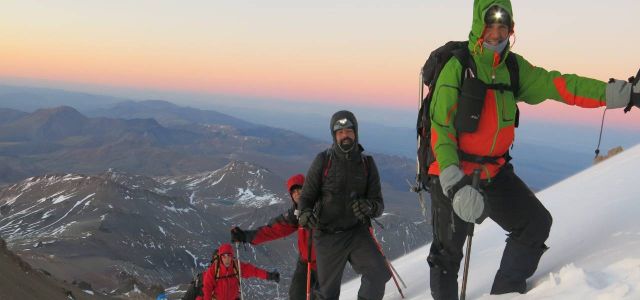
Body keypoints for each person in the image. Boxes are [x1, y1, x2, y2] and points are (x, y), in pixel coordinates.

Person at [426, 0, 640, 299]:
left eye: (503, 26)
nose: (496, 33)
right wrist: (454, 184)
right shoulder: (458, 67)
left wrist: (621, 93)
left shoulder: (513, 68)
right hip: (454, 174)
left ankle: (506, 294)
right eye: (490, 25)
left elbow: (562, 85)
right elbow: (441, 129)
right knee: (447, 255)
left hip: (493, 172)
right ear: (479, 26)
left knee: (534, 224)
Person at [297, 110, 392, 300]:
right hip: (327, 235)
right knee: (326, 294)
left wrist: (369, 207)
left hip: (356, 231)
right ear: (334, 136)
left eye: (348, 131)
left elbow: (378, 203)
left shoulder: (367, 164)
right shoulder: (323, 161)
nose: (345, 136)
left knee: (378, 273)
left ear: (355, 133)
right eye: (340, 132)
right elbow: (306, 197)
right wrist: (305, 213)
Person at [229, 174, 319, 300]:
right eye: (293, 192)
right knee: (296, 295)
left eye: (300, 190)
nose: (297, 194)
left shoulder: (321, 208)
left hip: (325, 262)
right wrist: (245, 236)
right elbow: (273, 230)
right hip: (305, 261)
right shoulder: (295, 214)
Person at [200, 243, 279, 300]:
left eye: (229, 255)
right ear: (220, 257)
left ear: (232, 256)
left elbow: (254, 271)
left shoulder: (237, 266)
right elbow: (207, 288)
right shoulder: (213, 270)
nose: (227, 259)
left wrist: (269, 275)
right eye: (224, 256)